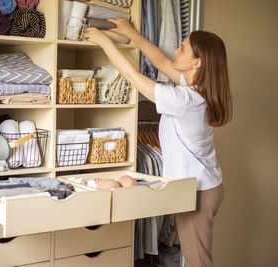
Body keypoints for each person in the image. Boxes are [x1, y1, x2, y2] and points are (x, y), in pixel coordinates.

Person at [84, 18, 232, 267]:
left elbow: (132, 76)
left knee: (198, 262)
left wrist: (104, 41)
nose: (175, 51)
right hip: (205, 186)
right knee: (196, 257)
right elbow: (162, 62)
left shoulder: (185, 99)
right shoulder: (198, 89)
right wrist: (131, 33)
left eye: (182, 49)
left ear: (197, 63)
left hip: (197, 191)